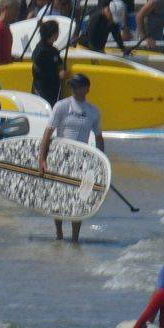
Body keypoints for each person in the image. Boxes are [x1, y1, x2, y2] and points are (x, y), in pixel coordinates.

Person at [38, 71, 103, 242]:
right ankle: (59, 233)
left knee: (79, 199)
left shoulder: (93, 111)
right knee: (59, 197)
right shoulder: (62, 105)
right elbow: (48, 132)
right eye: (72, 86)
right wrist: (42, 159)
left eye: (77, 85)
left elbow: (99, 138)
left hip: (82, 160)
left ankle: (75, 238)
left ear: (87, 89)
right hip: (60, 157)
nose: (74, 88)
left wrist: (101, 163)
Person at [30, 19, 64, 104]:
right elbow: (40, 73)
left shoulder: (52, 50)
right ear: (53, 34)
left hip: (51, 90)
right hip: (44, 91)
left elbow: (59, 63)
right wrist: (58, 75)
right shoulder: (42, 51)